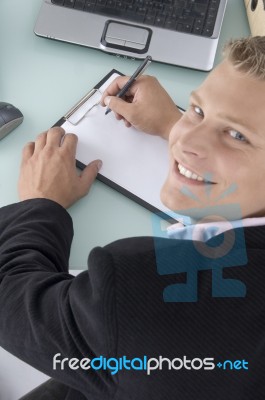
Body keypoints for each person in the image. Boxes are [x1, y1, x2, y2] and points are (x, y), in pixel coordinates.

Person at [0, 36, 265, 400]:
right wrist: (171, 123)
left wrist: (41, 204)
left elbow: (10, 299)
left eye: (237, 135)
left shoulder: (136, 291)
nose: (186, 140)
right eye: (197, 110)